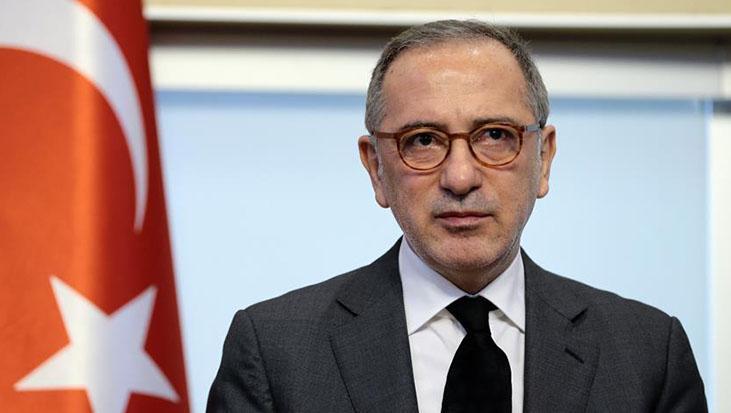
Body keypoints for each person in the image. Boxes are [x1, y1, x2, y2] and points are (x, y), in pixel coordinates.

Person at [207, 20, 707, 412]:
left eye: (495, 136)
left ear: (544, 158)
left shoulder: (647, 354)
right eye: (423, 140)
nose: (461, 177)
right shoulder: (275, 352)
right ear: (376, 168)